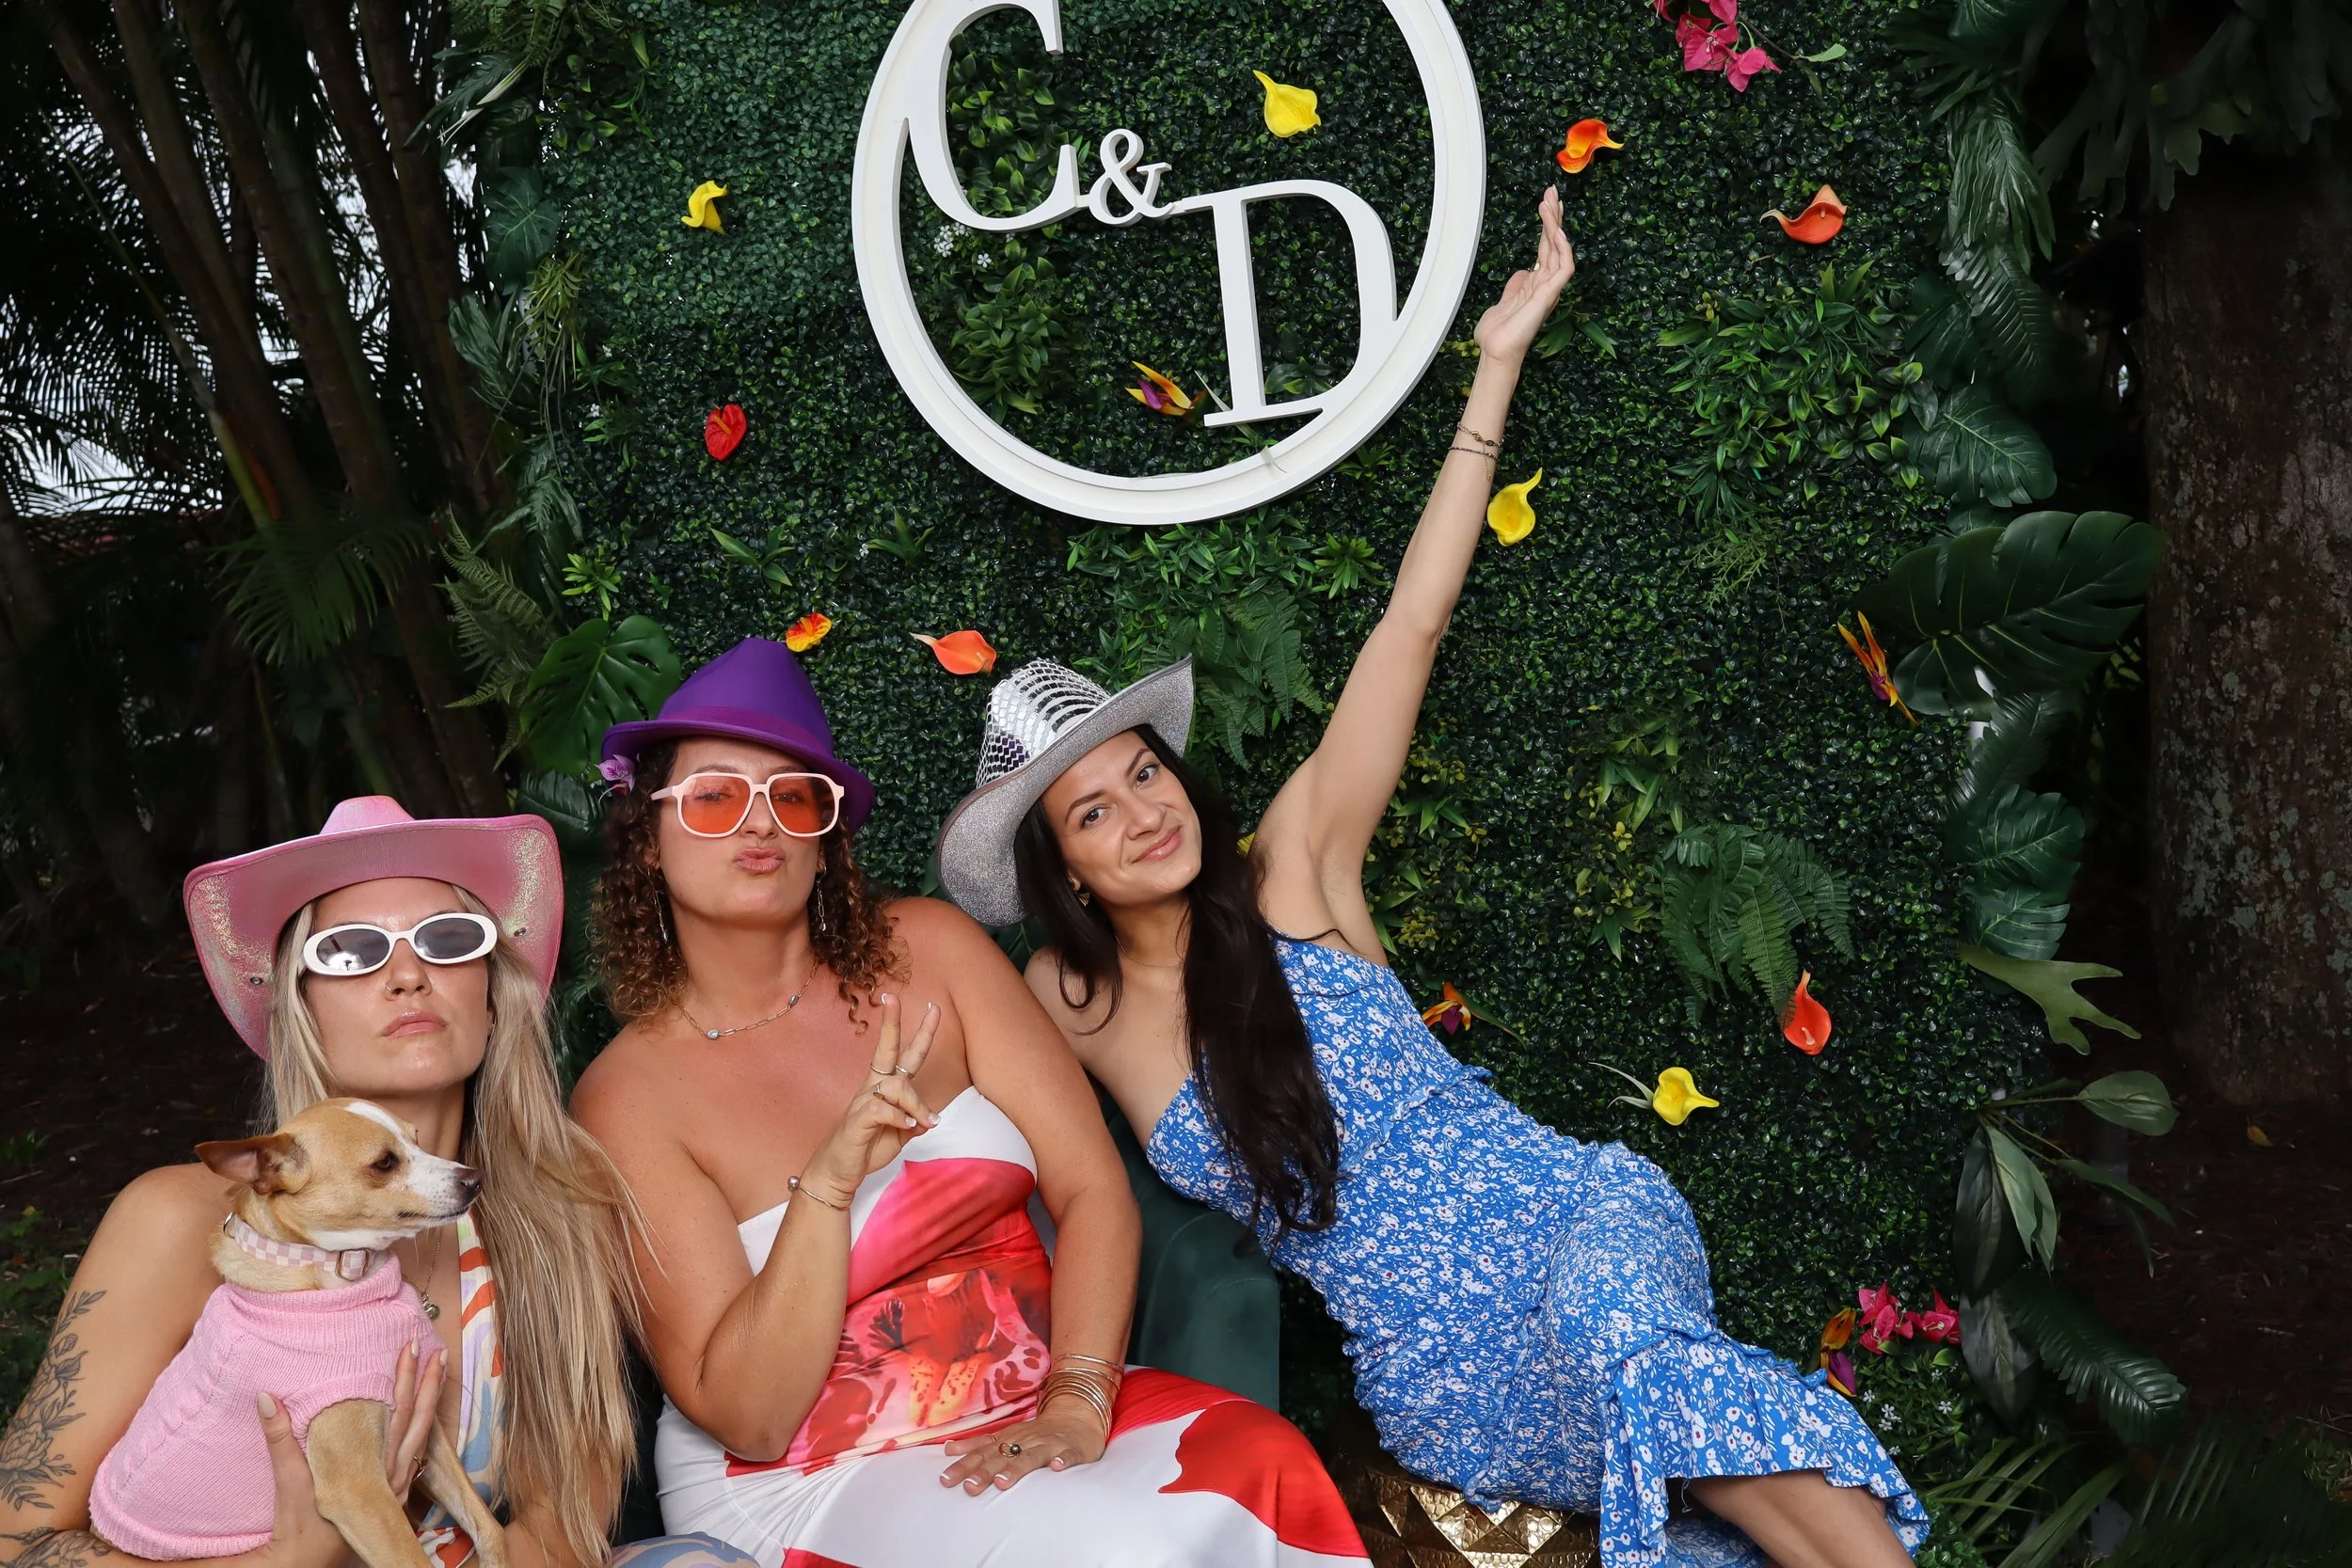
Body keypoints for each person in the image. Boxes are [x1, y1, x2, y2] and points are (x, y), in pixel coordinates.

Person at [931, 189, 1931, 1568]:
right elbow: (921, 1035)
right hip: (1444, 1376)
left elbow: (1412, 621)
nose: (1143, 812)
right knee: (1698, 1489)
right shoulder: (1066, 998)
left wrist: (1497, 364)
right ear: (1067, 874)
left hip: (1570, 1226)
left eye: (1145, 772)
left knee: (1643, 1358)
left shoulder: (1294, 871)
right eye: (1092, 812)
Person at [570, 640, 1367, 1568]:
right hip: (809, 1472)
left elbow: (1091, 1188)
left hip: (1034, 1398)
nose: (761, 823)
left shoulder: (934, 952)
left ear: (826, 841)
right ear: (648, 835)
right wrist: (827, 1184)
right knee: (1111, 1549)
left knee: (1265, 1459)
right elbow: (751, 1414)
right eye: (715, 798)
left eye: (795, 798)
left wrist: (1078, 1398)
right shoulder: (627, 1097)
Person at [0, 797, 752, 1568]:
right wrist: (286, 1561)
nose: (407, 975)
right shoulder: (176, 1220)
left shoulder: (556, 1213)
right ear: (299, 1007)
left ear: (493, 994)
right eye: (351, 951)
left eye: (448, 938)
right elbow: (16, 1539)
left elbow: (563, 1519)